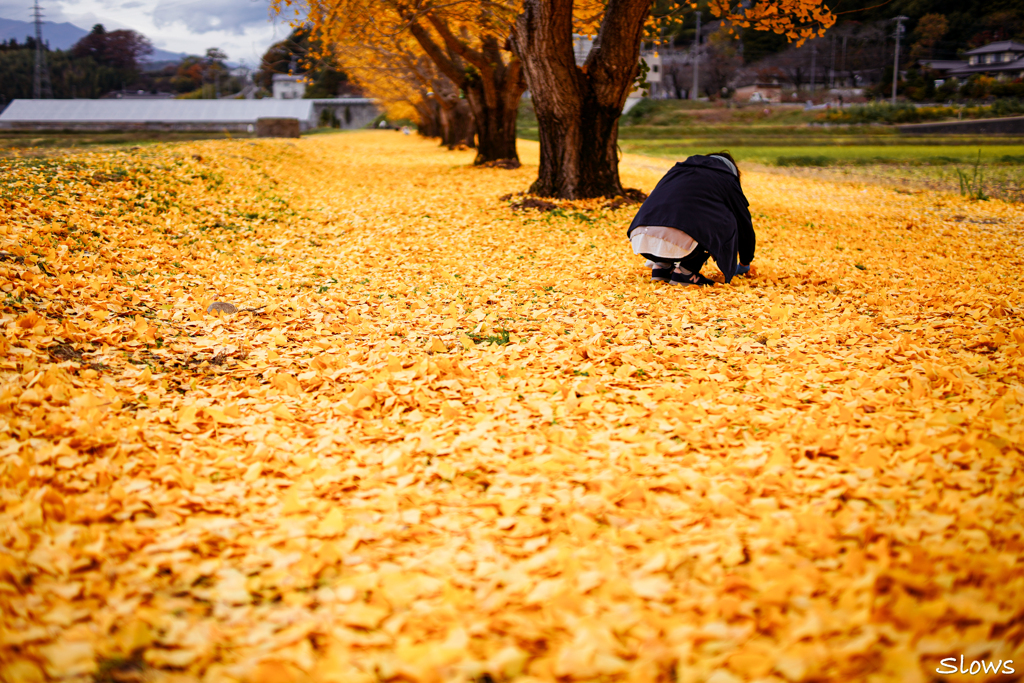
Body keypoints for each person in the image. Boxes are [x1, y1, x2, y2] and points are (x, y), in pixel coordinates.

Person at [627, 151, 754, 287]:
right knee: (727, 217)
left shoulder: (677, 171)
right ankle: (686, 272)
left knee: (680, 214)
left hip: (641, 237)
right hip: (682, 239)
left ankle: (661, 267)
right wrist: (745, 262)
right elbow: (743, 223)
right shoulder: (726, 179)